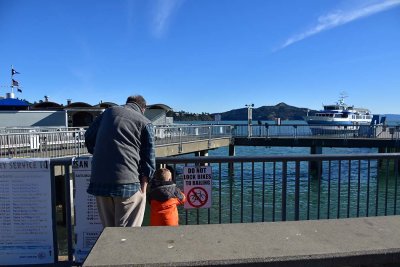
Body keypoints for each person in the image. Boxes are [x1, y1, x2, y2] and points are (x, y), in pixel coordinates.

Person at [85, 95, 155, 227]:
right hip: (128, 182)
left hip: (99, 180)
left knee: (109, 232)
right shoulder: (145, 122)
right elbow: (149, 158)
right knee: (127, 234)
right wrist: (144, 188)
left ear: (127, 103)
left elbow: (89, 137)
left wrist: (102, 153)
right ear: (143, 108)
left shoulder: (109, 112)